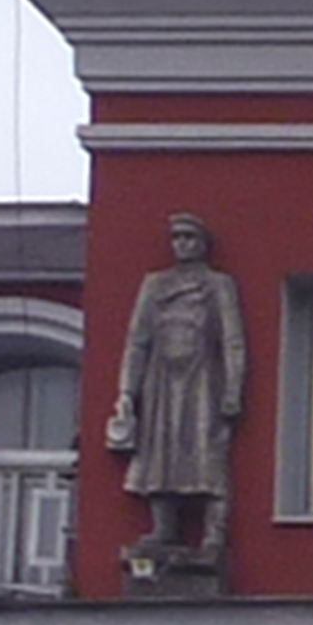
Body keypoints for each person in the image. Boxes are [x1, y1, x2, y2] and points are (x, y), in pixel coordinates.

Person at [106, 210, 243, 585]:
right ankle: (163, 527)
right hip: (162, 381)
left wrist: (233, 389)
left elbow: (232, 339)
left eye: (189, 238)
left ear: (202, 244)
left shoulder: (219, 285)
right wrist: (126, 393)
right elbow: (138, 341)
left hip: (203, 379)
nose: (182, 245)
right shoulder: (155, 285)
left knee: (206, 454)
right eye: (177, 238)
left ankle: (213, 533)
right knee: (160, 452)